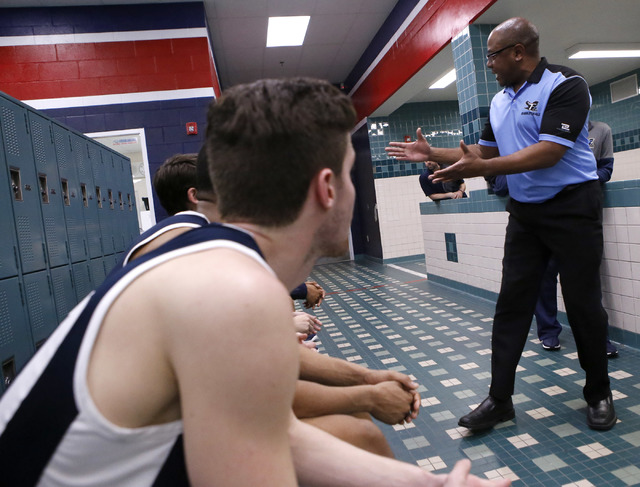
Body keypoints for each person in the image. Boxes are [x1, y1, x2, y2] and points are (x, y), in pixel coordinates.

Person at [0, 78, 509, 486]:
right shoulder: (231, 291)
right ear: (327, 188)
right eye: (352, 174)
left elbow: (274, 432)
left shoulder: (216, 260)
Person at [386, 18, 615, 432]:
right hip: (526, 213)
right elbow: (483, 152)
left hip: (572, 208)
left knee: (582, 305)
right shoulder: (499, 101)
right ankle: (499, 399)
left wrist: (484, 166)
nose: (487, 63)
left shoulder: (565, 84)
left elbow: (548, 152)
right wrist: (432, 152)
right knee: (511, 305)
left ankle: (598, 392)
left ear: (517, 52)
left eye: (492, 55)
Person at [533, 120, 618, 357]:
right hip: (547, 210)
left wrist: (583, 181)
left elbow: (606, 169)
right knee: (545, 276)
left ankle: (599, 339)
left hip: (581, 212)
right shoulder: (546, 129)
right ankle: (549, 331)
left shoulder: (601, 130)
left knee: (585, 280)